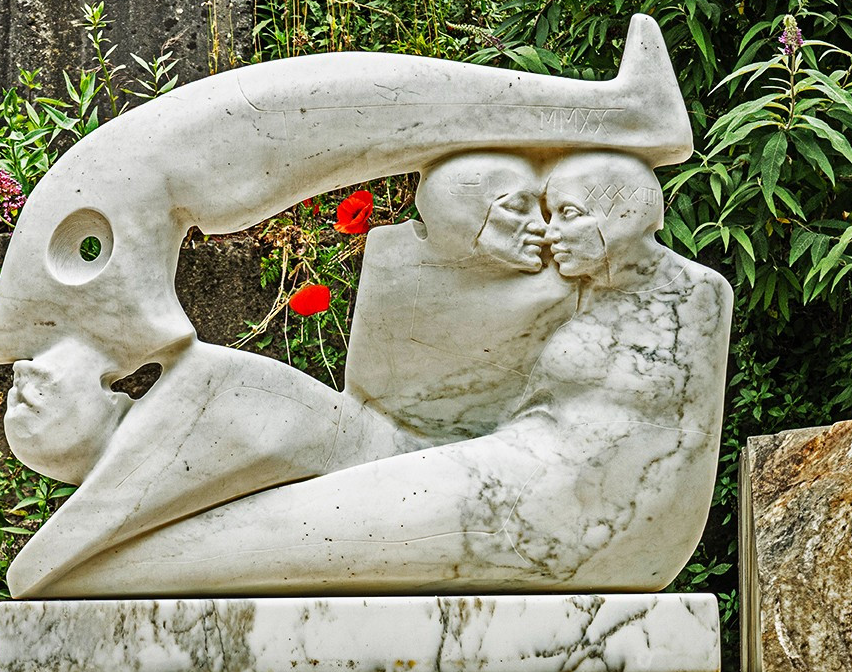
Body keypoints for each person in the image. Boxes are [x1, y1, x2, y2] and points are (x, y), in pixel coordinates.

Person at [37, 152, 732, 597]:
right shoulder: (570, 294)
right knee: (224, 381)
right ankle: (97, 496)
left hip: (569, 509)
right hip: (503, 469)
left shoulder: (694, 299)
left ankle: (80, 566)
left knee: (289, 535)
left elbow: (650, 453)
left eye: (569, 215)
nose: (551, 233)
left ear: (627, 216)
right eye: (548, 213)